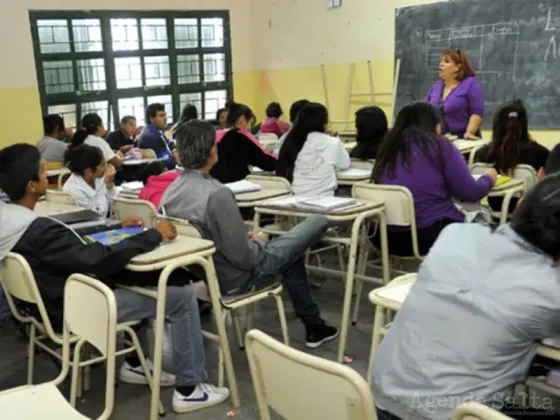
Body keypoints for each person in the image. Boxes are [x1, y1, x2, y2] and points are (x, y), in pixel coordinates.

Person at [0, 144, 230, 414]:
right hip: (74, 311)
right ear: (31, 185)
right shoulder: (38, 231)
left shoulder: (11, 221)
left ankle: (134, 363)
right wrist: (152, 235)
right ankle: (190, 389)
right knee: (180, 297)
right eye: (42, 171)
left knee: (139, 283)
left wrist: (113, 228)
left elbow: (70, 246)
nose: (47, 176)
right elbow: (95, 259)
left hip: (43, 309)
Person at [373, 173, 560, 420]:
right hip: (459, 415)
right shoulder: (551, 294)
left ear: (520, 202)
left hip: (384, 403)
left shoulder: (454, 234)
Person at [161, 120, 338, 348]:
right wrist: (262, 240)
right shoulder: (217, 194)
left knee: (290, 252)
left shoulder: (171, 192)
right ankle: (313, 325)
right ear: (213, 151)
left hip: (205, 273)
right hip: (239, 277)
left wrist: (248, 236)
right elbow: (246, 259)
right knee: (317, 221)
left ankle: (314, 325)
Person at [372, 102, 497, 256]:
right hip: (429, 234)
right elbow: (471, 192)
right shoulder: (440, 146)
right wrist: (489, 178)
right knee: (484, 225)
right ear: (435, 125)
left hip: (383, 237)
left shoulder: (387, 148)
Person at [474, 100, 550, 213]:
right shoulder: (541, 153)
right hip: (526, 214)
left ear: (496, 126)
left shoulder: (482, 154)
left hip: (494, 211)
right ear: (525, 125)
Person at [276, 103, 350, 197]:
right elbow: (344, 164)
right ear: (324, 123)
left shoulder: (290, 140)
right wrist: (335, 136)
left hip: (291, 200)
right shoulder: (332, 142)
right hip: (324, 201)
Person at [210, 102, 277, 183]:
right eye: (250, 123)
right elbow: (268, 163)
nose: (250, 129)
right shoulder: (242, 136)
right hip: (238, 185)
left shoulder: (216, 135)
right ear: (242, 120)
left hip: (215, 184)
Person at [425, 49, 484, 139]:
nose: (441, 64)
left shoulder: (470, 84)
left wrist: (469, 132)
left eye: (446, 62)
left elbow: (477, 112)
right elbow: (424, 111)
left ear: (457, 67)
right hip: (439, 140)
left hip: (463, 140)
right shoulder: (436, 87)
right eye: (440, 61)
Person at [63, 144, 117, 216]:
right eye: (102, 165)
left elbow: (114, 204)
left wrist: (109, 185)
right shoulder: (74, 190)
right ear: (89, 172)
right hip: (89, 224)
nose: (107, 166)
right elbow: (97, 214)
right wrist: (107, 183)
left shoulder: (98, 177)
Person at [138, 103, 176, 170]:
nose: (165, 118)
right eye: (161, 116)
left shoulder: (153, 130)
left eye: (165, 115)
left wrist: (174, 150)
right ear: (152, 119)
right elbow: (165, 161)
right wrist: (177, 159)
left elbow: (168, 141)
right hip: (163, 172)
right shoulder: (151, 136)